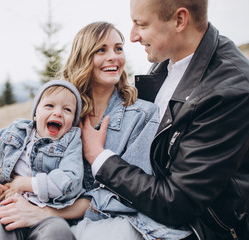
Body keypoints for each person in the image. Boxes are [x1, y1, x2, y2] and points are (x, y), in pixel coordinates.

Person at [0, 22, 191, 240]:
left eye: (118, 48)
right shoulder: (62, 112)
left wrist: (44, 213)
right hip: (40, 210)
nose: (114, 57)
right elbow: (27, 153)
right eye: (101, 50)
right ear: (83, 58)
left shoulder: (143, 114)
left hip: (104, 223)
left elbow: (128, 194)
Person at [80, 0, 249, 239]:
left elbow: (177, 202)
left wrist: (100, 159)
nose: (133, 36)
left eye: (141, 24)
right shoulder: (167, 63)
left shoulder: (228, 91)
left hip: (198, 228)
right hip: (141, 205)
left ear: (179, 20)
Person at [0, 80, 84, 240]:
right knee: (4, 228)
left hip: (49, 212)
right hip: (10, 206)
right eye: (49, 106)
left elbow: (70, 181)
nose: (57, 113)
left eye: (67, 109)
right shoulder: (17, 131)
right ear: (35, 113)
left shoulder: (70, 142)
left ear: (73, 122)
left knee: (58, 232)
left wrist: (24, 184)